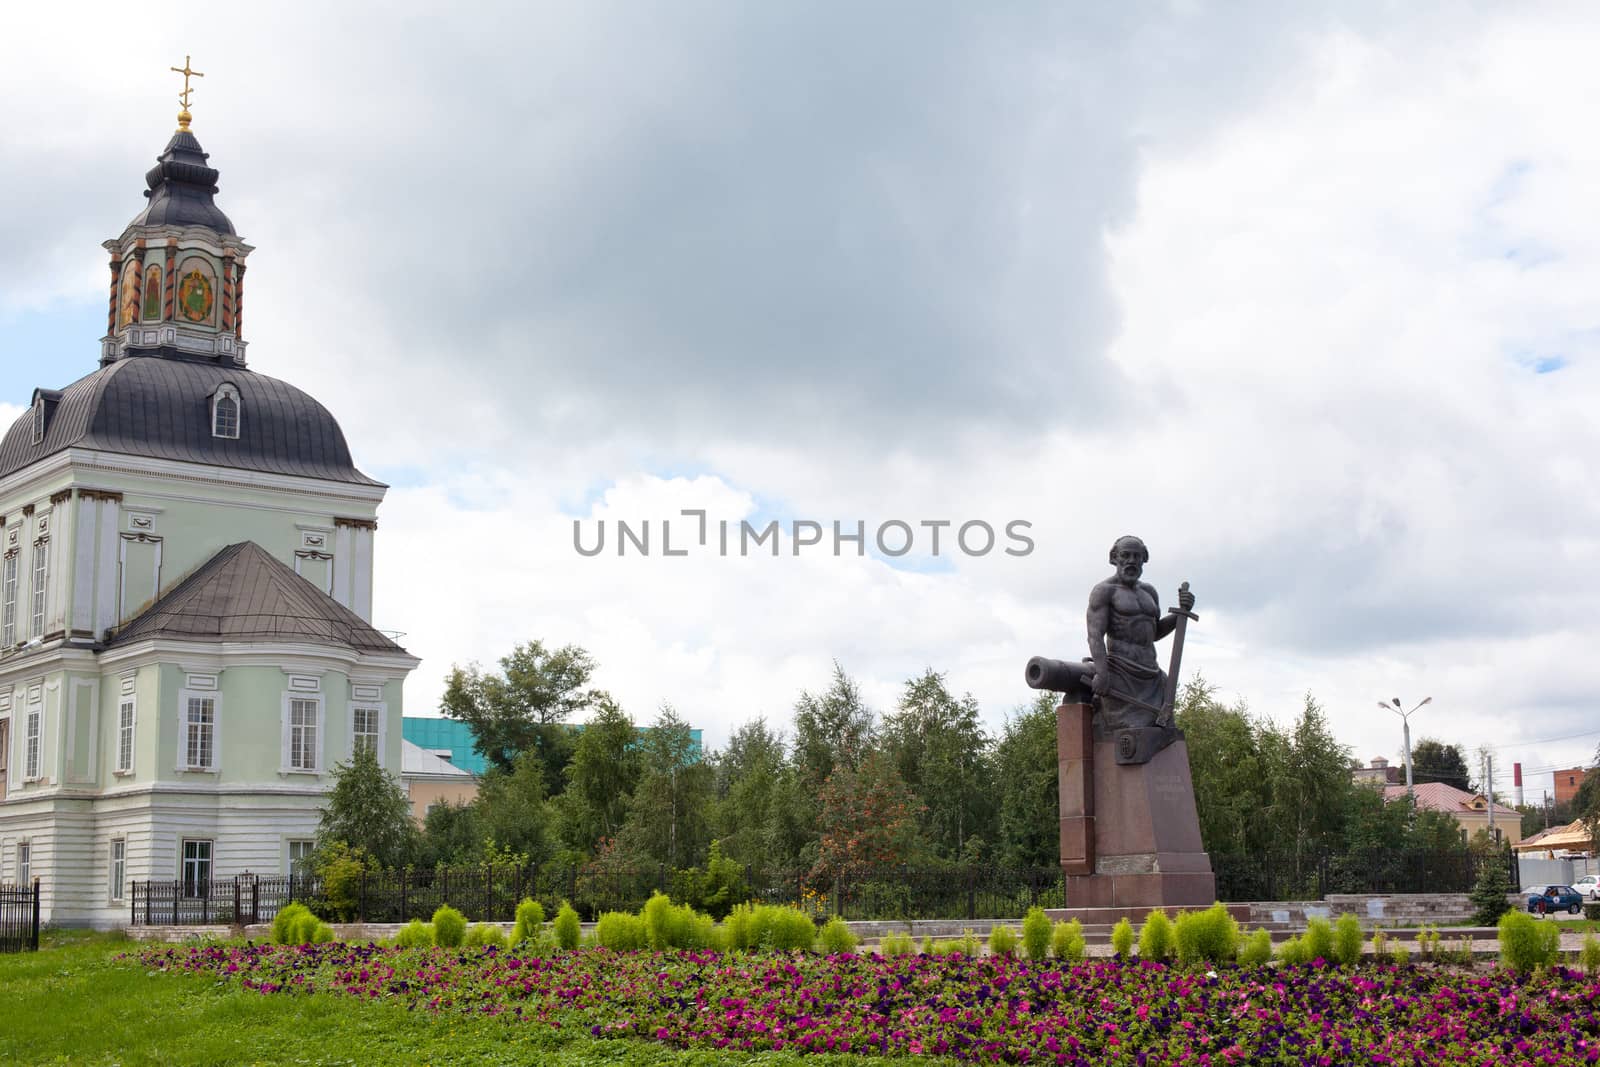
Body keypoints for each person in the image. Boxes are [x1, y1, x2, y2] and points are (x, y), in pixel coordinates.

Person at [1086, 535, 1195, 732]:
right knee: (1134, 733)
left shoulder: (1149, 592)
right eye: (1125, 555)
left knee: (1163, 731)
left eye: (1136, 556)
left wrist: (1181, 613)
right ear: (1114, 558)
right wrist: (1101, 673)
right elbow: (1095, 636)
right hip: (1121, 673)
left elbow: (1154, 633)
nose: (1131, 561)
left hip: (1151, 674)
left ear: (1144, 559)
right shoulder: (1104, 591)